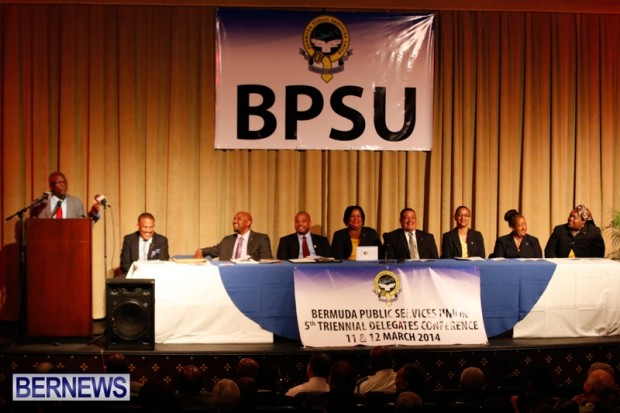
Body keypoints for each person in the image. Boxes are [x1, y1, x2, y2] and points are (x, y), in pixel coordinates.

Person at [194, 211, 273, 261]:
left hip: (250, 275)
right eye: (234, 219)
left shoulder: (261, 239)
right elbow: (213, 250)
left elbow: (266, 261)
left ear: (248, 223)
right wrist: (201, 251)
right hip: (228, 274)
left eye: (239, 219)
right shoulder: (227, 240)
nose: (234, 221)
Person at [30, 171, 100, 221]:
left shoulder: (76, 203)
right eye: (59, 182)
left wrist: (93, 213)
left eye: (64, 182)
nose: (62, 184)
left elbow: (82, 226)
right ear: (51, 186)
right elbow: (32, 226)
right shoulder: (39, 203)